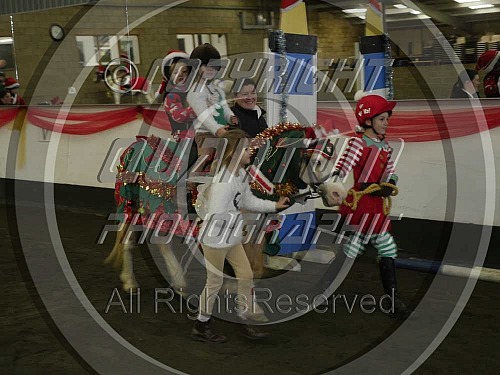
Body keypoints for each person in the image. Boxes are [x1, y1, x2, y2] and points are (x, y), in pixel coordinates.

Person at [192, 128, 290, 342]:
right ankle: (202, 323)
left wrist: (274, 205)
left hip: (231, 238)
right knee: (214, 283)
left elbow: (247, 201)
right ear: (234, 153)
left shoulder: (240, 175)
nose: (250, 153)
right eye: (246, 149)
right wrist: (239, 218)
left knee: (245, 276)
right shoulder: (223, 184)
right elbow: (217, 215)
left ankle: (245, 316)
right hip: (215, 240)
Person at [332, 94, 408, 319]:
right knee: (351, 250)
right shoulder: (357, 143)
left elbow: (391, 172)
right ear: (368, 121)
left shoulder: (384, 146)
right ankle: (325, 286)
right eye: (382, 119)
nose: (387, 123)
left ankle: (393, 299)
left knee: (386, 249)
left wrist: (389, 183)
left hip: (376, 204)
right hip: (361, 203)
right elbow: (341, 169)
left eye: (387, 119)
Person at [187, 43, 238, 159]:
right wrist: (217, 130)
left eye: (214, 66)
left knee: (224, 160)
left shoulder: (218, 90)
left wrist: (231, 117)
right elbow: (203, 116)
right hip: (204, 133)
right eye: (205, 65)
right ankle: (193, 177)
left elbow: (225, 107)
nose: (210, 69)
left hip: (223, 131)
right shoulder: (195, 92)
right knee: (205, 161)